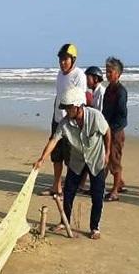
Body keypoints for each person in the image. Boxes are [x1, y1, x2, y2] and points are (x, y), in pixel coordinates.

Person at [34, 86, 110, 239]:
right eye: (65, 108)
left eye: (69, 108)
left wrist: (107, 153)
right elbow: (54, 140)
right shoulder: (64, 123)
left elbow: (107, 132)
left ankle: (95, 228)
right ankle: (64, 222)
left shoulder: (95, 116)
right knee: (68, 192)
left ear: (78, 106)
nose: (66, 111)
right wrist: (42, 159)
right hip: (77, 161)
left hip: (96, 159)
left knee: (97, 195)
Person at [39, 44, 87, 197]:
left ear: (73, 60)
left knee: (70, 157)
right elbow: (59, 95)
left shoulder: (79, 76)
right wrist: (55, 114)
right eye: (60, 59)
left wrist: (75, 121)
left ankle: (70, 187)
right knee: (56, 155)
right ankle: (56, 186)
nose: (62, 62)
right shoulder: (60, 75)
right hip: (57, 119)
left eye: (65, 59)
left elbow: (80, 100)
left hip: (71, 123)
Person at [102, 57, 128, 201]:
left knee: (114, 159)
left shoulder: (121, 91)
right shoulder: (108, 89)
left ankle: (115, 191)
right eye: (106, 71)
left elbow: (122, 114)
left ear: (117, 74)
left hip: (116, 131)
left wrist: (112, 129)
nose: (107, 74)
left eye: (110, 72)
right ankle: (112, 185)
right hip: (106, 129)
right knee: (105, 159)